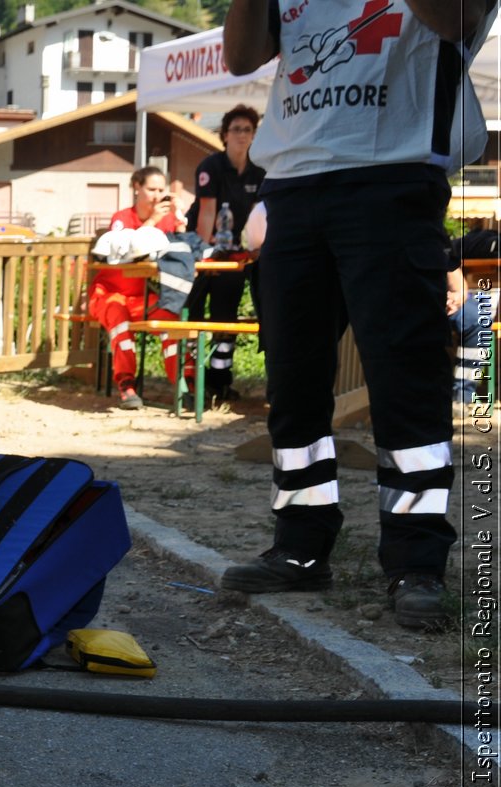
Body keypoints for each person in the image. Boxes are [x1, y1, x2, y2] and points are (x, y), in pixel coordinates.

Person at [220, 0, 497, 630]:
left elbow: (455, 20)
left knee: (406, 382)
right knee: (294, 380)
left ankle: (416, 562)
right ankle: (299, 547)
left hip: (392, 177)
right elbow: (240, 57)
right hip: (291, 183)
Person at [183, 105, 266, 404]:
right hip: (202, 248)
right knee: (193, 316)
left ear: (255, 135)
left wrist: (257, 248)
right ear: (224, 134)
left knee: (225, 318)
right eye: (236, 129)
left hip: (234, 253)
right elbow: (206, 215)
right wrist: (204, 258)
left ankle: (220, 384)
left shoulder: (259, 170)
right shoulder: (211, 167)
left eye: (248, 129)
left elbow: (261, 215)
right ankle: (190, 382)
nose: (242, 135)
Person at [87, 165, 186, 410]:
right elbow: (127, 250)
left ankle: (185, 387)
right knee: (118, 320)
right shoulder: (122, 218)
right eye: (151, 189)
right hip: (109, 293)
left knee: (170, 319)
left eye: (161, 190)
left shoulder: (168, 219)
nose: (157, 195)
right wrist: (152, 221)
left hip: (140, 296)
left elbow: (183, 250)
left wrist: (181, 219)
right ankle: (126, 386)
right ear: (136, 188)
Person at [448, 227, 498, 404]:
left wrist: (457, 295)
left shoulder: (435, 234)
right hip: (411, 298)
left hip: (446, 298)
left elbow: (452, 269)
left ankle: (462, 396)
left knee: (478, 318)